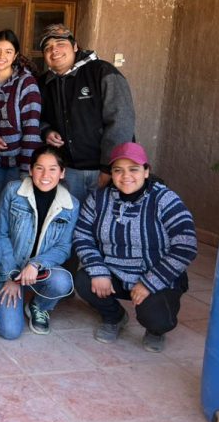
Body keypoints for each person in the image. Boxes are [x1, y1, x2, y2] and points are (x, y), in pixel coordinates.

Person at [73, 142, 197, 352]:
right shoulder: (98, 198)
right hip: (114, 272)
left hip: (155, 274)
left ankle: (155, 331)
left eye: (134, 169)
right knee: (84, 280)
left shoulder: (164, 199)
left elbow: (186, 246)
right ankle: (115, 316)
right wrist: (98, 270)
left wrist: (150, 282)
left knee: (158, 319)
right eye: (118, 170)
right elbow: (82, 235)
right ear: (111, 173)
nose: (125, 176)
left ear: (146, 171)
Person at [38, 23, 135, 205]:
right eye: (47, 48)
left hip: (103, 170)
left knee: (103, 222)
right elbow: (37, 118)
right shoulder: (44, 83)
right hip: (68, 172)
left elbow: (121, 121)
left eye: (60, 44)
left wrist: (109, 168)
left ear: (75, 46)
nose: (54, 51)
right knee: (72, 223)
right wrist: (46, 131)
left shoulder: (102, 72)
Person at [0, 145, 78, 339]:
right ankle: (0, 294)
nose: (45, 174)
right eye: (39, 168)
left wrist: (36, 264)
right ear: (30, 170)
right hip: (8, 269)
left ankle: (38, 306)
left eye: (53, 169)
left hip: (38, 271)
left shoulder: (71, 204)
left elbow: (64, 247)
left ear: (62, 173)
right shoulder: (13, 191)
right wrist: (11, 275)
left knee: (63, 281)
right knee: (10, 331)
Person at [0, 29, 42, 198]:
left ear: (15, 56)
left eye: (8, 51)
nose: (1, 56)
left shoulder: (26, 83)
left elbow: (32, 130)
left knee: (14, 210)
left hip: (19, 163)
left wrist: (25, 172)